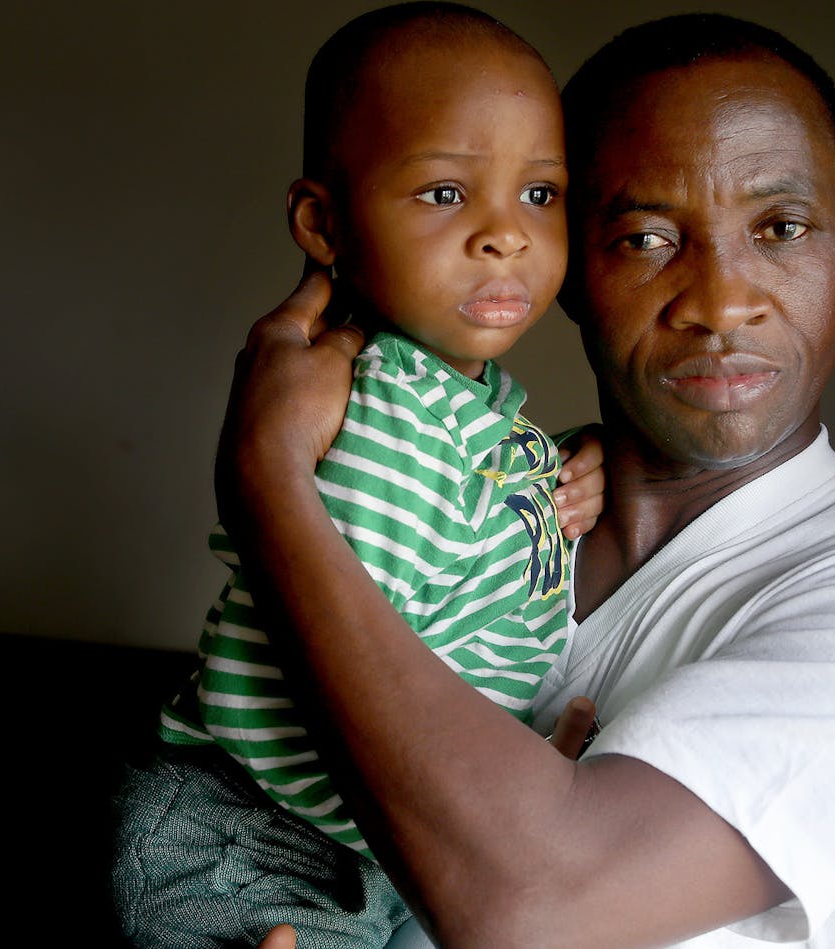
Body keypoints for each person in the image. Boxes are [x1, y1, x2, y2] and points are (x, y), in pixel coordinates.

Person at [221, 13, 835, 948]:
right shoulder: (466, 496)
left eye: (781, 226)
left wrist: (266, 483)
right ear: (561, 268)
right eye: (645, 238)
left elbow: (533, 904)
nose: (722, 300)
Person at [112, 5, 607, 946]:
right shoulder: (374, 415)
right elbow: (319, 685)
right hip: (264, 844)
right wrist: (516, 794)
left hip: (379, 845)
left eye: (540, 195)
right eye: (446, 194)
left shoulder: (476, 413)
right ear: (324, 222)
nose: (506, 235)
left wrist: (571, 465)